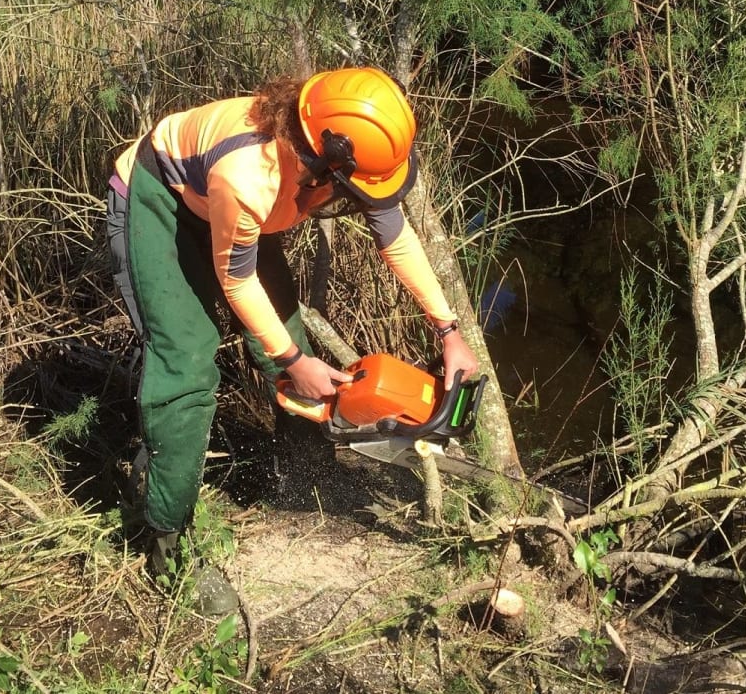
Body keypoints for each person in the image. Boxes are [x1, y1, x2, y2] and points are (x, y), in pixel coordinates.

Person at [105, 67, 478, 613]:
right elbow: (236, 278)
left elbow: (392, 230)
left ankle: (302, 475)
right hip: (163, 203)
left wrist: (448, 329)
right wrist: (291, 359)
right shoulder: (248, 173)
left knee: (286, 334)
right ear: (322, 156)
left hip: (229, 215)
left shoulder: (333, 140)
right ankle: (170, 549)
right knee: (186, 366)